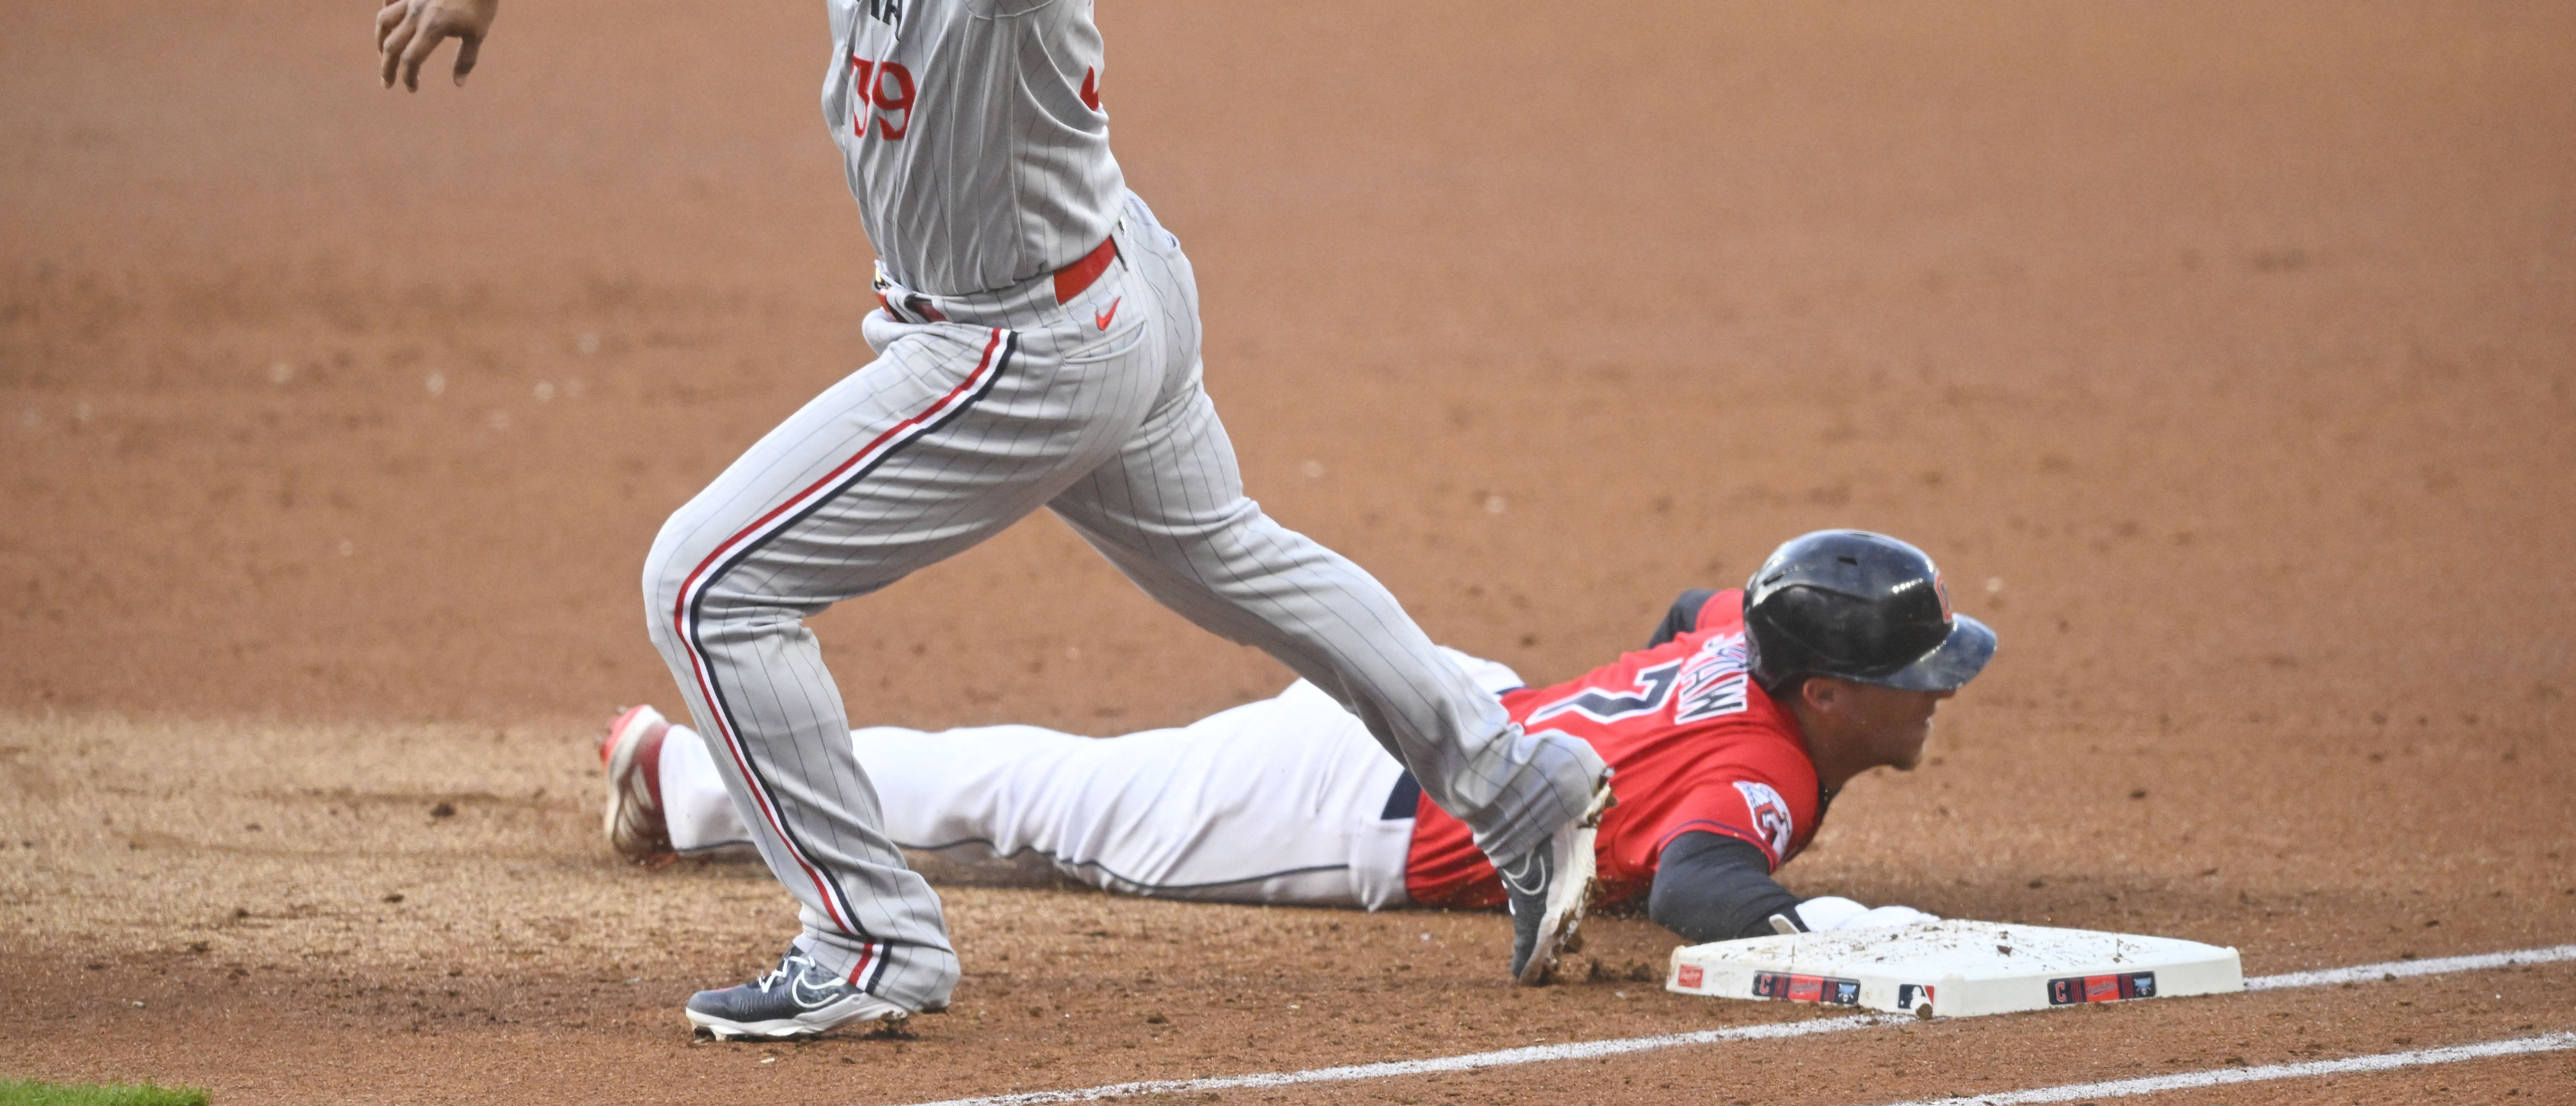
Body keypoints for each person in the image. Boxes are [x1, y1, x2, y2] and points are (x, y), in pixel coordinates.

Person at [373, 0, 1604, 1041]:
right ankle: (1525, 783)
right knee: (1230, 550)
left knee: (708, 581)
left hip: (1020, 340)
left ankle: (871, 942)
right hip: (1113, 284)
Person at [599, 530, 1995, 954]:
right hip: (1346, 801)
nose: (1936, 689)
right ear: (1816, 692)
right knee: (1040, 797)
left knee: (1057, 786)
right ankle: (690, 776)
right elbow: (1703, 885)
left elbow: (1689, 607)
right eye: (1912, 671)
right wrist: (1833, 925)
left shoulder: (1731, 644)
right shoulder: (1761, 773)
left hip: (1460, 702)